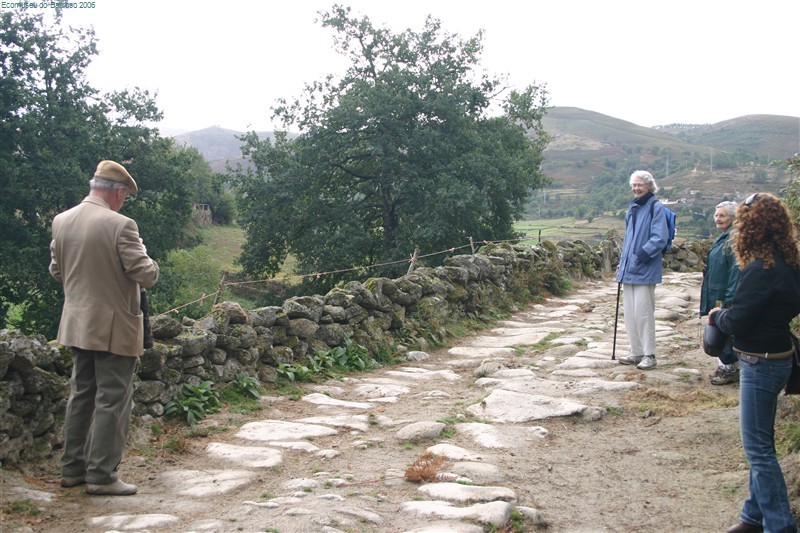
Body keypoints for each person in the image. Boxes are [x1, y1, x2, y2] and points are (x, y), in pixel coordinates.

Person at [49, 160, 160, 496]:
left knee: (81, 394)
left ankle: (72, 469)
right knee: (113, 399)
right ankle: (102, 475)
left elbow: (57, 270)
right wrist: (151, 261)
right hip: (114, 326)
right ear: (119, 192)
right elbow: (145, 274)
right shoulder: (121, 225)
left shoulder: (61, 220)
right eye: (124, 196)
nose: (123, 202)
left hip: (76, 322)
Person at [710, 192, 800, 533]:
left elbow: (737, 322)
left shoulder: (761, 268)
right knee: (762, 441)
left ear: (752, 226)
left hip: (759, 362)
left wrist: (719, 316)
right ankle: (752, 517)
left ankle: (780, 527)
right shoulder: (790, 262)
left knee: (758, 450)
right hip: (780, 356)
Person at [616, 170, 669, 370]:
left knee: (644, 313)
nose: (636, 188)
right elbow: (628, 241)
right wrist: (624, 262)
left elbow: (659, 238)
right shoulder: (632, 208)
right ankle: (636, 352)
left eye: (640, 185)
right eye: (634, 185)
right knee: (630, 313)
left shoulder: (656, 208)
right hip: (629, 270)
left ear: (649, 186)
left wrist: (639, 256)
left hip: (645, 269)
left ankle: (649, 354)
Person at [699, 201, 741, 385]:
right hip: (718, 291)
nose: (718, 218)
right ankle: (725, 366)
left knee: (723, 332)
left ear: (733, 217)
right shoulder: (725, 237)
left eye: (722, 215)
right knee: (720, 329)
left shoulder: (733, 240)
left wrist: (730, 297)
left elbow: (735, 270)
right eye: (716, 215)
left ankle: (728, 368)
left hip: (725, 293)